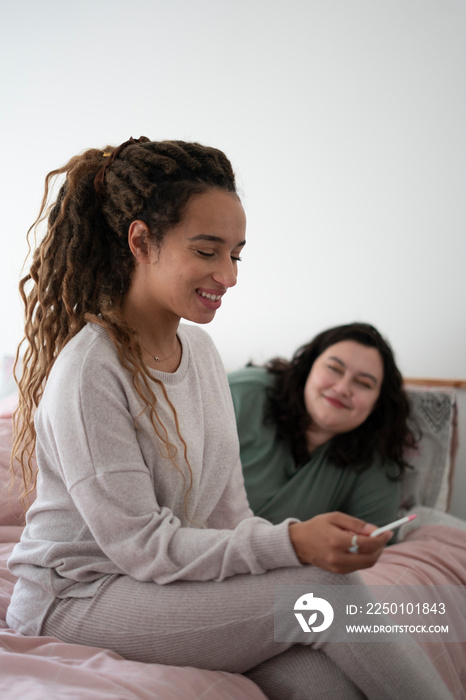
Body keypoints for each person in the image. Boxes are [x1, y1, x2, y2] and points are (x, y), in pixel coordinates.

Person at [6, 137, 452, 700]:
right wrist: (294, 546)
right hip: (77, 599)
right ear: (141, 241)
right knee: (321, 591)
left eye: (236, 253)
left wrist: (291, 546)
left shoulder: (201, 355)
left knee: (324, 684)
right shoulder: (90, 370)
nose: (230, 274)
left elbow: (228, 514)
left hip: (159, 588)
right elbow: (142, 545)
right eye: (208, 250)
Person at [228, 322, 415, 528]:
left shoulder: (374, 457)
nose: (343, 388)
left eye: (363, 383)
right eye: (334, 368)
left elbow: (377, 543)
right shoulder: (242, 393)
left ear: (377, 403)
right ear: (309, 367)